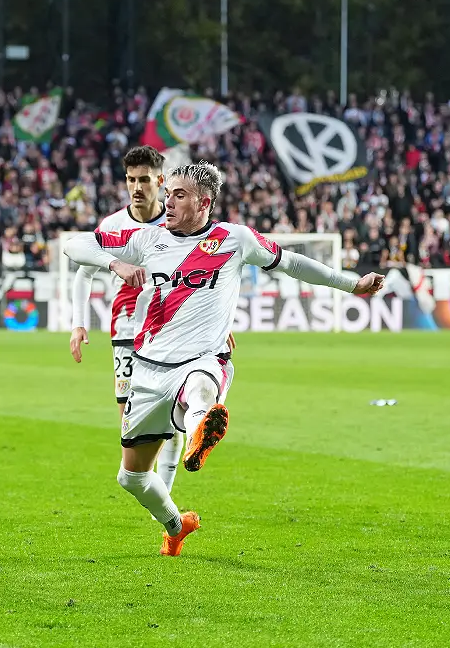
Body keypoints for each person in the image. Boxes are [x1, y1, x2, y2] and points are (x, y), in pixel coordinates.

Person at [63, 162, 385, 557]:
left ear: (204, 202)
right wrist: (116, 263)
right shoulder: (148, 239)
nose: (168, 202)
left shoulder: (234, 239)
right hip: (148, 367)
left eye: (178, 195)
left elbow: (293, 263)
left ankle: (202, 430)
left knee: (201, 385)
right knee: (131, 478)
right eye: (168, 194)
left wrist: (351, 283)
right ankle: (176, 526)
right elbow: (75, 245)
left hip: (204, 356)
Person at [68, 145, 190, 494]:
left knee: (167, 408)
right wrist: (79, 323)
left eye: (145, 180)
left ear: (161, 181)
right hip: (126, 326)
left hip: (171, 326)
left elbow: (207, 273)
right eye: (131, 180)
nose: (137, 187)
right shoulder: (113, 226)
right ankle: (146, 482)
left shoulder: (178, 221)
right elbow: (83, 273)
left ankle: (162, 490)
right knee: (130, 414)